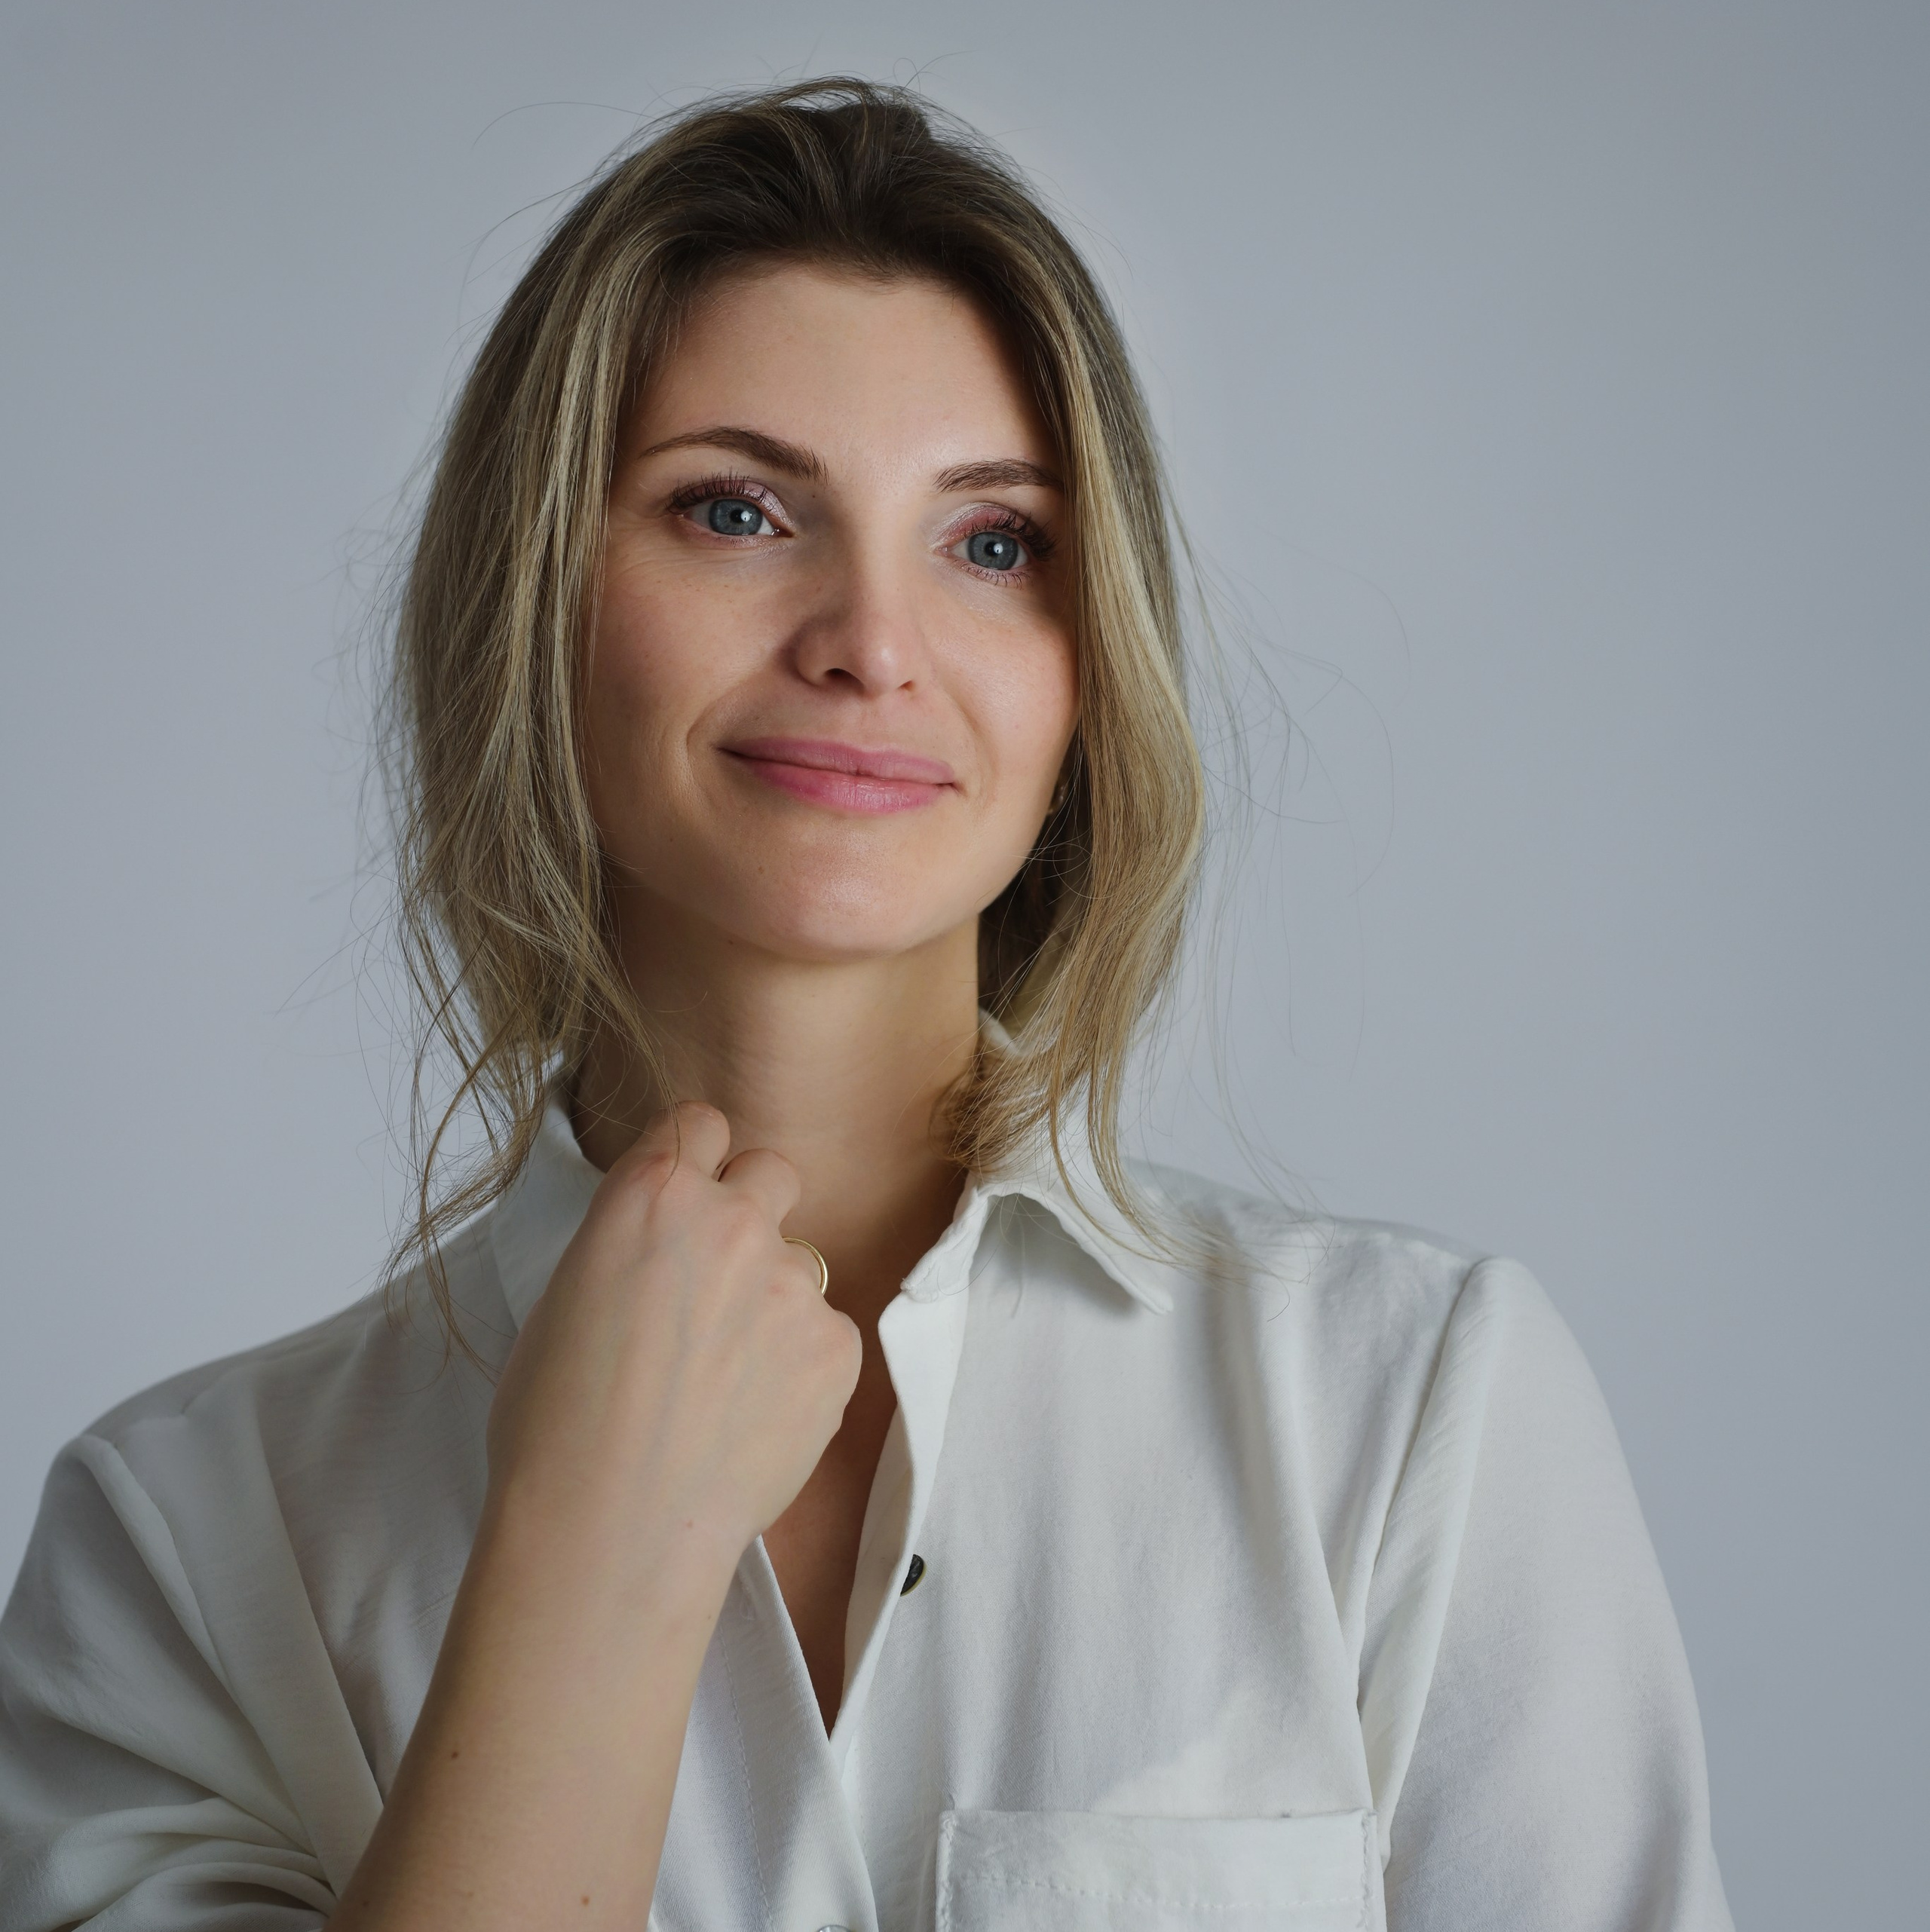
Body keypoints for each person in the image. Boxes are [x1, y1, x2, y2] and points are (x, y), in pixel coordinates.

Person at [0, 79, 1732, 1932]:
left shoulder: (1411, 1416)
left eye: (991, 542)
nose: (871, 641)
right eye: (735, 510)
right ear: (537, 602)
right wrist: (591, 1560)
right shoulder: (186, 1543)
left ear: (1087, 669)